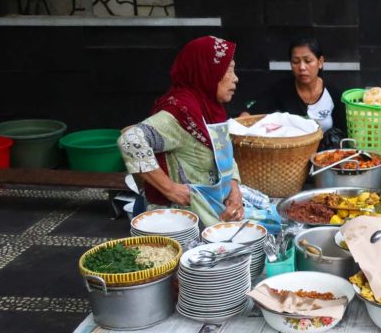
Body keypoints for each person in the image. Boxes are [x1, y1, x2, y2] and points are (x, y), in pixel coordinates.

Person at [118, 36, 281, 230]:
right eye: (228, 69)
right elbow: (130, 140)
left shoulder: (211, 108)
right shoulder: (180, 111)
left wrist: (234, 188)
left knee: (276, 224)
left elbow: (222, 152)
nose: (236, 78)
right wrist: (170, 189)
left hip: (214, 204)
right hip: (185, 219)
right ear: (207, 71)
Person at [247, 37, 345, 150]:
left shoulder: (333, 92)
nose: (302, 67)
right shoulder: (281, 90)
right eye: (296, 62)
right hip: (291, 161)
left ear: (320, 62)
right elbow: (250, 115)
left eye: (308, 61)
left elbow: (345, 132)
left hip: (327, 159)